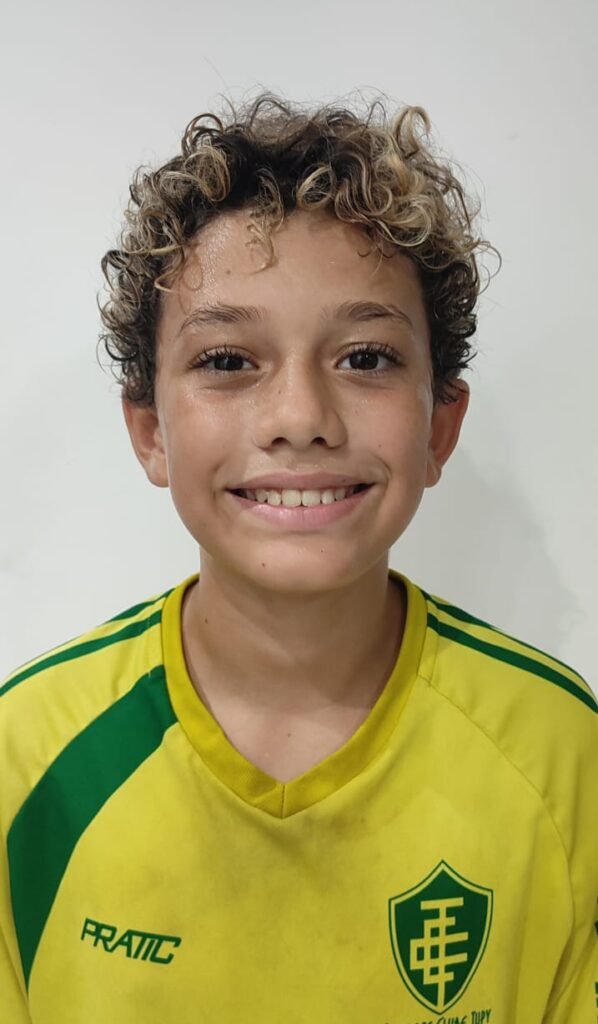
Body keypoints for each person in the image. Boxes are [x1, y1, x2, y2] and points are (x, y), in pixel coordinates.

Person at [1, 92, 596, 1024]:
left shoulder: (563, 755)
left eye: (365, 358)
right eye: (227, 361)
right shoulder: (26, 759)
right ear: (150, 432)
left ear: (440, 427)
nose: (301, 419)